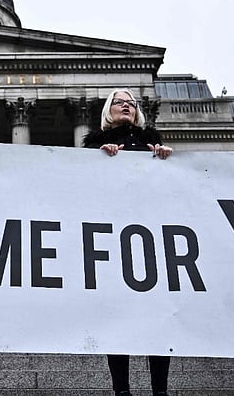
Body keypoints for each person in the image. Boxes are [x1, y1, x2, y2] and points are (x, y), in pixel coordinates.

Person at [82, 88, 173, 396]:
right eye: (119, 102)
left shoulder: (153, 140)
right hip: (112, 237)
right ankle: (122, 389)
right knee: (117, 314)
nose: (126, 106)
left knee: (158, 315)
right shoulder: (93, 144)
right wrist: (98, 159)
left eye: (131, 103)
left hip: (151, 237)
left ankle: (159, 389)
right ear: (109, 109)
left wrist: (165, 160)